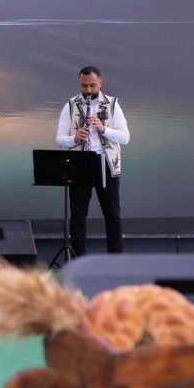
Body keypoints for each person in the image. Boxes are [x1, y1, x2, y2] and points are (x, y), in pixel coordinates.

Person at [55, 65, 130, 256]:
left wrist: (103, 129)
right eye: (84, 86)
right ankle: (79, 259)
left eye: (92, 86)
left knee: (112, 214)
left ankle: (115, 260)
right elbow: (59, 139)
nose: (88, 90)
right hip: (80, 163)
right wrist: (75, 138)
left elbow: (125, 138)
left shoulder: (112, 104)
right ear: (79, 83)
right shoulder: (71, 105)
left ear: (100, 83)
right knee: (78, 215)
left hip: (107, 163)